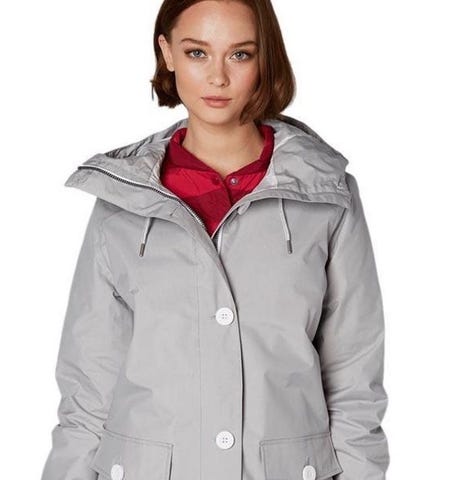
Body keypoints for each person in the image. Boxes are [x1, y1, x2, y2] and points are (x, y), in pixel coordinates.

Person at [40, 1, 390, 479]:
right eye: (197, 53)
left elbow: (354, 384)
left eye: (240, 54)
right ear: (167, 53)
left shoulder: (326, 196)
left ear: (265, 58)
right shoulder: (124, 199)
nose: (218, 77)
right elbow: (88, 390)